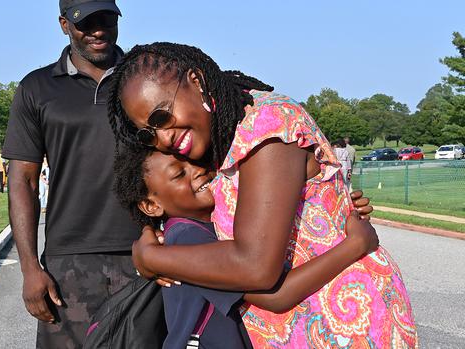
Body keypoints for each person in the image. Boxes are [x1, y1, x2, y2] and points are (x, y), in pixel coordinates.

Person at [107, 42, 417, 348]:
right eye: (149, 133)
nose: (163, 137)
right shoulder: (220, 142)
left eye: (162, 117)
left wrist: (150, 258)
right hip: (296, 326)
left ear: (196, 81)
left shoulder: (267, 126)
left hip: (346, 324)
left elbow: (255, 266)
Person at [113, 146, 379, 349]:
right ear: (151, 206)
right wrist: (355, 243)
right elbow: (277, 295)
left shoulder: (213, 222)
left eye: (194, 162)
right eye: (179, 174)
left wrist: (336, 209)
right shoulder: (187, 237)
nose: (197, 171)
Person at [1, 1, 139, 348]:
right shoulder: (37, 88)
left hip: (145, 252)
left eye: (106, 19)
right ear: (65, 25)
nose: (97, 30)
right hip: (69, 261)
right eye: (85, 23)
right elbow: (23, 181)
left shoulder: (145, 79)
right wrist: (30, 268)